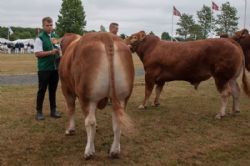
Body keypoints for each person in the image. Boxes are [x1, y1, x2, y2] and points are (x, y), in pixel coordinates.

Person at [34, 16, 61, 120]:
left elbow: (58, 48)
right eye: (47, 25)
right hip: (44, 69)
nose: (50, 27)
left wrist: (59, 51)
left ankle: (53, 110)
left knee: (53, 90)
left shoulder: (55, 36)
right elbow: (37, 53)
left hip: (55, 68)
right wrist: (51, 52)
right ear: (43, 26)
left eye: (51, 25)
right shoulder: (39, 38)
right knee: (42, 90)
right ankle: (39, 112)